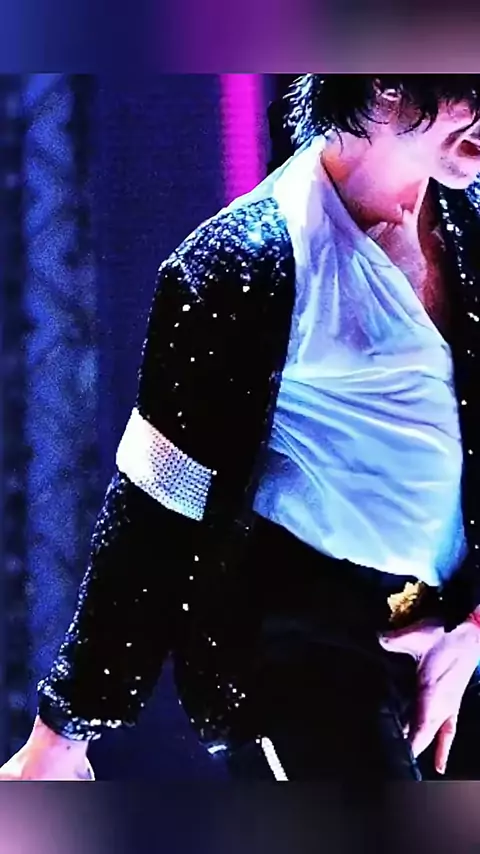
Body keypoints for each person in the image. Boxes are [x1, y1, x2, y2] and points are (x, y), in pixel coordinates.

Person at [3, 74, 480, 782]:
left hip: (451, 623)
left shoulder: (468, 225)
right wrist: (66, 730)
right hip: (302, 650)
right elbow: (157, 503)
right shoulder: (241, 262)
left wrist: (471, 627)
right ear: (385, 81)